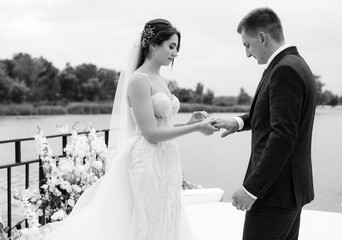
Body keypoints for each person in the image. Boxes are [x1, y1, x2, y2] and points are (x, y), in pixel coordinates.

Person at [42, 19, 218, 240]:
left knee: (169, 216)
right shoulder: (138, 80)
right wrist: (195, 129)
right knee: (150, 222)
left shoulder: (161, 80)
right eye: (171, 46)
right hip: (149, 161)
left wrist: (192, 123)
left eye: (177, 48)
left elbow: (163, 126)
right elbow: (150, 134)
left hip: (169, 160)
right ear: (154, 45)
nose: (175, 53)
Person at [213, 8, 317, 240]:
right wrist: (238, 122)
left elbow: (282, 136)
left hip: (275, 193)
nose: (247, 54)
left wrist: (251, 189)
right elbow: (275, 116)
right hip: (287, 191)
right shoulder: (293, 63)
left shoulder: (284, 70)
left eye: (247, 45)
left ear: (262, 37)